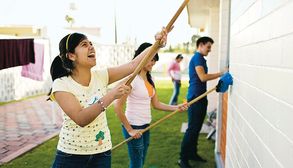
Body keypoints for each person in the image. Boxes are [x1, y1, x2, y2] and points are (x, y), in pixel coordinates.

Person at [49, 29, 168, 168]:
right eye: (84, 44)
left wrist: (157, 45)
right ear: (71, 56)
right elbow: (81, 119)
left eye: (91, 43)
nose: (91, 46)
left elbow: (134, 65)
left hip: (102, 152)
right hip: (70, 155)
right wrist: (112, 95)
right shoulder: (61, 84)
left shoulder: (101, 76)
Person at [114, 42, 188, 168]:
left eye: (155, 59)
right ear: (142, 57)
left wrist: (177, 107)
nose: (153, 63)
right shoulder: (132, 79)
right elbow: (117, 106)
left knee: (141, 160)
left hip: (146, 126)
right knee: (137, 163)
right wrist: (130, 130)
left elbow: (156, 104)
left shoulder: (150, 79)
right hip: (134, 126)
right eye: (151, 59)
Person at [178, 36, 227, 168]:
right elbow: (202, 77)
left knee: (197, 128)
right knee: (192, 129)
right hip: (195, 98)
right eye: (208, 47)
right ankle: (182, 159)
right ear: (200, 45)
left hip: (201, 98)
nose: (210, 50)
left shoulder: (201, 59)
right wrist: (221, 73)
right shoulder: (197, 58)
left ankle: (193, 154)